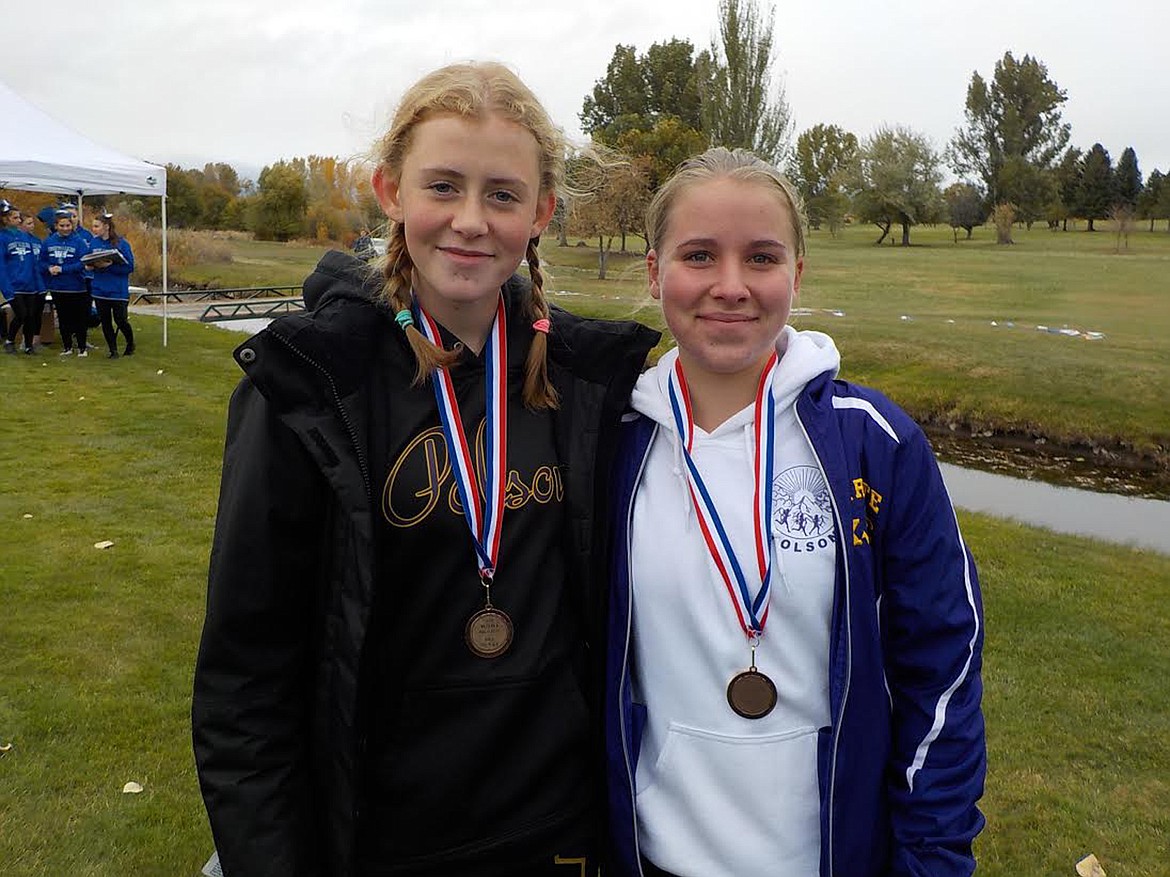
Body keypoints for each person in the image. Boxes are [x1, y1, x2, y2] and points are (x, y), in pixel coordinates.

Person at [192, 61, 659, 877]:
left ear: (542, 211)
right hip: (378, 835)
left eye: (503, 195)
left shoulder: (590, 381)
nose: (470, 221)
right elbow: (246, 681)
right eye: (443, 186)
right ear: (389, 190)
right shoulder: (312, 383)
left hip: (555, 831)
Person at [604, 148, 986, 877]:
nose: (730, 285)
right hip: (653, 857)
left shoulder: (874, 442)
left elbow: (943, 666)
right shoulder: (614, 444)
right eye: (698, 255)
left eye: (761, 257)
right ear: (654, 271)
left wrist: (932, 857)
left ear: (797, 274)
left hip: (835, 856)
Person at [40, 209, 91, 356]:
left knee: (79, 318)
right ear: (56, 226)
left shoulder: (79, 242)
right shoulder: (48, 242)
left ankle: (82, 348)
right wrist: (49, 268)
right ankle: (67, 347)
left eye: (68, 225)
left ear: (72, 225)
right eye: (62, 226)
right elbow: (41, 262)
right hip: (58, 287)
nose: (65, 228)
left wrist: (63, 269)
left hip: (77, 287)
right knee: (63, 318)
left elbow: (82, 263)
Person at [88, 212, 136, 357]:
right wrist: (90, 265)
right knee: (105, 321)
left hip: (117, 290)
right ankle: (112, 350)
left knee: (120, 320)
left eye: (97, 226)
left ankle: (130, 343)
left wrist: (109, 266)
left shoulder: (121, 243)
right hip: (99, 289)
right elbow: (88, 260)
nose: (94, 229)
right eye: (93, 226)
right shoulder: (94, 243)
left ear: (106, 227)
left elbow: (129, 267)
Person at [2, 203, 46, 354]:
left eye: (19, 217)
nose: (19, 220)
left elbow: (34, 262)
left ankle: (28, 346)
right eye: (15, 218)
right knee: (21, 314)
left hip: (31, 284)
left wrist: (39, 284)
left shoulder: (25, 237)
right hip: (14, 285)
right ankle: (9, 341)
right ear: (5, 220)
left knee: (31, 316)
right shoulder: (2, 238)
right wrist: (6, 288)